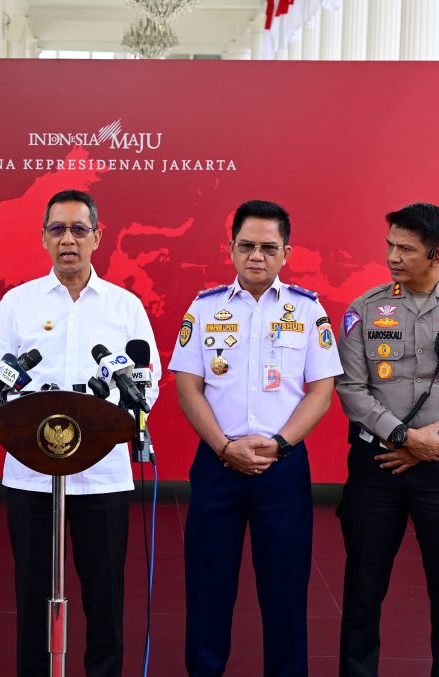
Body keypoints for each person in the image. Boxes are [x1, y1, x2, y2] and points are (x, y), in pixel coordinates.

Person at [0, 188, 160, 677]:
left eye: (80, 229)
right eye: (57, 229)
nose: (69, 240)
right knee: (32, 595)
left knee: (105, 601)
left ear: (98, 236)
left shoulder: (125, 307)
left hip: (103, 476)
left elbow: (149, 383)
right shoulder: (18, 302)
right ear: (42, 238)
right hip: (33, 476)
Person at [169, 199, 343, 677]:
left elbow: (322, 390)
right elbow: (188, 387)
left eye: (269, 247)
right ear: (231, 249)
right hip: (217, 465)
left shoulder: (307, 310)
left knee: (285, 592)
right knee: (208, 588)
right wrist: (225, 446)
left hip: (282, 467)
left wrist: (281, 444)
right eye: (246, 245)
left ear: (286, 252)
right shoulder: (204, 308)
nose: (257, 256)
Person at [335, 202, 439, 677]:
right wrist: (404, 437)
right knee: (362, 591)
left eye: (405, 249)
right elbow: (350, 387)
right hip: (378, 467)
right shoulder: (363, 310)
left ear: (437, 254)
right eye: (390, 244)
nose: (392, 255)